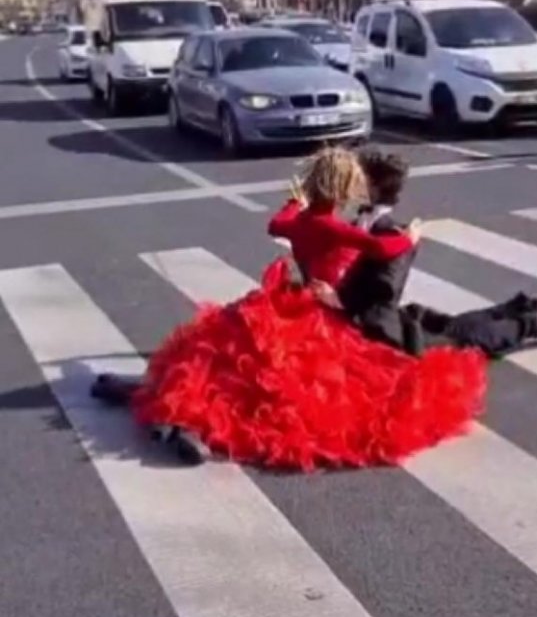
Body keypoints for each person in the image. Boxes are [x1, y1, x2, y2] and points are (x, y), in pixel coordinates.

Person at [123, 146, 487, 471]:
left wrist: (294, 200)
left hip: (284, 299)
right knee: (305, 391)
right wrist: (411, 236)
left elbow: (275, 223)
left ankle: (173, 412)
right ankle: (188, 427)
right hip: (317, 312)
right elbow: (382, 249)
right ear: (343, 189)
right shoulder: (332, 226)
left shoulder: (298, 221)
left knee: (224, 365)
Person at [314, 150, 537, 357]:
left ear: (372, 186)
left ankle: (535, 322)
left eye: (356, 179)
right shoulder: (359, 222)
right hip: (373, 319)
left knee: (467, 341)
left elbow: (386, 291)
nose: (349, 185)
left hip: (381, 331)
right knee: (451, 327)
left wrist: (338, 300)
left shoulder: (394, 233)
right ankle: (518, 308)